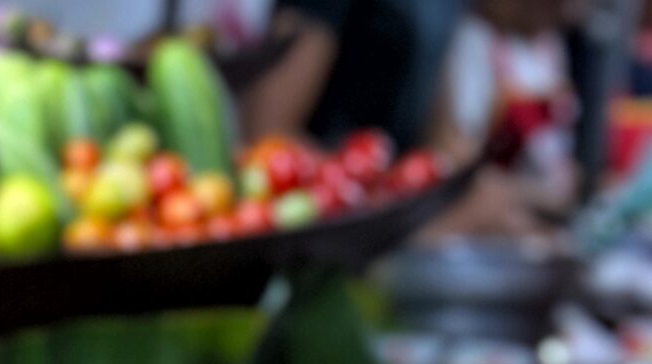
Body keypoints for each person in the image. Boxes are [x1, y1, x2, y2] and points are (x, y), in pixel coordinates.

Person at [246, 0, 585, 232]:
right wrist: (405, 209)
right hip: (324, 245)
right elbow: (267, 135)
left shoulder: (451, 9)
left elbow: (442, 143)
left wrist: (511, 195)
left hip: (394, 234)